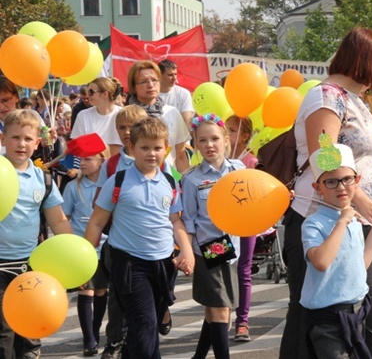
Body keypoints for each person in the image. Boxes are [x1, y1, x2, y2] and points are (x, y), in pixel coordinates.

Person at [280, 27, 372, 359]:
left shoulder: (353, 100)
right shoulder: (326, 97)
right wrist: (367, 202)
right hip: (321, 221)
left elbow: (362, 171)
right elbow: (325, 161)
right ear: (368, 61)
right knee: (314, 321)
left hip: (357, 221)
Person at [84, 117, 194, 359]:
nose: (152, 154)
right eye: (145, 147)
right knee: (144, 322)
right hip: (130, 264)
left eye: (157, 148)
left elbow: (175, 220)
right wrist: (84, 265)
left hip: (164, 263)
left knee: (147, 326)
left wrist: (185, 249)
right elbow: (97, 221)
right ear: (132, 148)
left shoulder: (169, 181)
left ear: (166, 148)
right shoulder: (119, 181)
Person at [301, 142, 372, 358]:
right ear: (317, 188)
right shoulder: (313, 223)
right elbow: (321, 262)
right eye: (331, 181)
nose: (340, 187)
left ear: (357, 181)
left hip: (356, 312)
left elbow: (360, 266)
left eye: (347, 179)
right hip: (327, 319)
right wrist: (342, 222)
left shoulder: (354, 220)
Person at [0, 109, 73, 358]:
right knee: (3, 336)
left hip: (30, 266)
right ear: (2, 139)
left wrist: (72, 260)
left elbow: (59, 221)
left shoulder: (43, 179)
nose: (21, 144)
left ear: (37, 143)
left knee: (30, 336)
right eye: (15, 137)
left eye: (28, 139)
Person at [182, 114, 244, 359]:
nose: (209, 145)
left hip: (233, 248)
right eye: (202, 140)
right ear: (195, 144)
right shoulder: (191, 178)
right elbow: (187, 220)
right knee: (221, 312)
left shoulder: (239, 170)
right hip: (208, 248)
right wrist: (187, 251)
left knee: (215, 310)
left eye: (215, 139)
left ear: (226, 140)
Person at [94, 105, 149, 359]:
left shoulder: (157, 158)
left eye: (133, 127)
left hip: (151, 243)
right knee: (117, 294)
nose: (127, 132)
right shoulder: (112, 164)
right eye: (122, 128)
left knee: (154, 294)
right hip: (119, 242)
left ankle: (158, 316)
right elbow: (99, 204)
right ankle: (114, 341)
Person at [62, 152, 109, 356]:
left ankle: (95, 329)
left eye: (89, 159)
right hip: (82, 248)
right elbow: (64, 217)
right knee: (85, 291)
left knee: (100, 291)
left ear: (102, 161)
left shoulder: (109, 186)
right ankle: (89, 339)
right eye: (81, 159)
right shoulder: (74, 187)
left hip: (106, 248)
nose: (83, 163)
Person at [225, 115, 258, 342]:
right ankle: (220, 314)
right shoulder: (218, 161)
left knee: (243, 270)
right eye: (225, 129)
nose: (227, 135)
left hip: (247, 224)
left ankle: (242, 322)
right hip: (221, 226)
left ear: (245, 136)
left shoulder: (252, 162)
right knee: (220, 269)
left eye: (232, 130)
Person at [125, 60, 190, 173]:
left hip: (168, 179)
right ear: (134, 87)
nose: (150, 85)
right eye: (144, 81)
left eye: (154, 80)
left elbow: (180, 155)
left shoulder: (172, 112)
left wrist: (183, 183)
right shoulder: (125, 115)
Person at [70, 78, 124, 159]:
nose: (88, 96)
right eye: (88, 92)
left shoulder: (123, 114)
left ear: (105, 94)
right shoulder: (83, 115)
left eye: (91, 92)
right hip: (92, 168)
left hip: (120, 167)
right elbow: (77, 147)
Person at [158, 59, 195, 128]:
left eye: (175, 74)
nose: (174, 78)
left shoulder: (184, 93)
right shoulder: (151, 95)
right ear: (159, 75)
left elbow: (187, 121)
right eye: (170, 75)